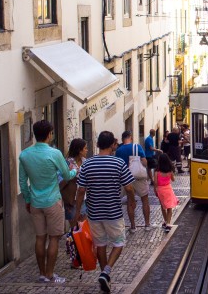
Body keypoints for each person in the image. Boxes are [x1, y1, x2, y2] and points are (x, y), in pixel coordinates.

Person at [72, 131, 136, 293]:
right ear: (111, 145)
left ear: (98, 144)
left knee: (100, 245)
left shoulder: (87, 164)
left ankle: (103, 275)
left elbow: (81, 191)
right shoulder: (118, 163)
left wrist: (77, 211)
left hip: (94, 213)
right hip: (113, 212)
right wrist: (131, 200)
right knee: (119, 243)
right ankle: (106, 272)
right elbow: (128, 187)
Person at [18, 120, 76, 284]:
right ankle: (50, 274)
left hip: (36, 202)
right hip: (52, 201)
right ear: (49, 134)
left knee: (40, 238)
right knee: (54, 238)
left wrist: (28, 200)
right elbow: (66, 176)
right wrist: (74, 171)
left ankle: (42, 273)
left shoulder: (24, 155)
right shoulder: (54, 154)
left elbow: (22, 182)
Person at [115, 131, 154, 232]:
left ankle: (133, 226)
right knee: (145, 200)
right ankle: (147, 224)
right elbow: (145, 162)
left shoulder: (118, 150)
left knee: (129, 200)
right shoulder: (137, 147)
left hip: (125, 178)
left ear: (122, 139)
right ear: (131, 138)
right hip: (138, 177)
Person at [63, 138, 88, 229]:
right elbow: (62, 180)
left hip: (83, 198)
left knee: (83, 224)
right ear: (79, 150)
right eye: (85, 148)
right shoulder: (67, 163)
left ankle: (82, 243)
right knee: (74, 226)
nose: (87, 150)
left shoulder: (85, 162)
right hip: (71, 198)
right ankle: (74, 242)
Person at [153, 153, 179, 233]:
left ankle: (165, 221)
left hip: (160, 190)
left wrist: (155, 191)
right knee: (169, 207)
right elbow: (173, 180)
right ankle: (168, 223)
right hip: (168, 189)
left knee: (163, 206)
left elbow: (155, 183)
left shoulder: (157, 172)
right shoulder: (170, 171)